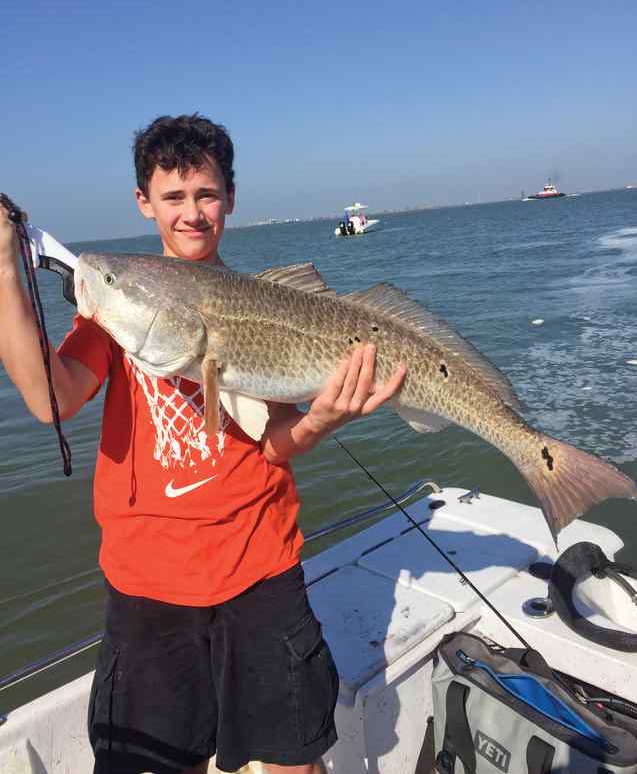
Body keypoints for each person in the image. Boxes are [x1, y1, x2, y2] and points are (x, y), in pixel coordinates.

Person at [0, 114, 406, 774]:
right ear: (144, 202)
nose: (192, 212)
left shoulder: (270, 304)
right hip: (149, 587)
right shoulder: (115, 303)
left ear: (230, 199)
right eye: (173, 197)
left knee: (294, 763)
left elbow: (276, 442)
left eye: (207, 194)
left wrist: (324, 417)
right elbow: (55, 397)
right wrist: (4, 268)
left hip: (261, 569)